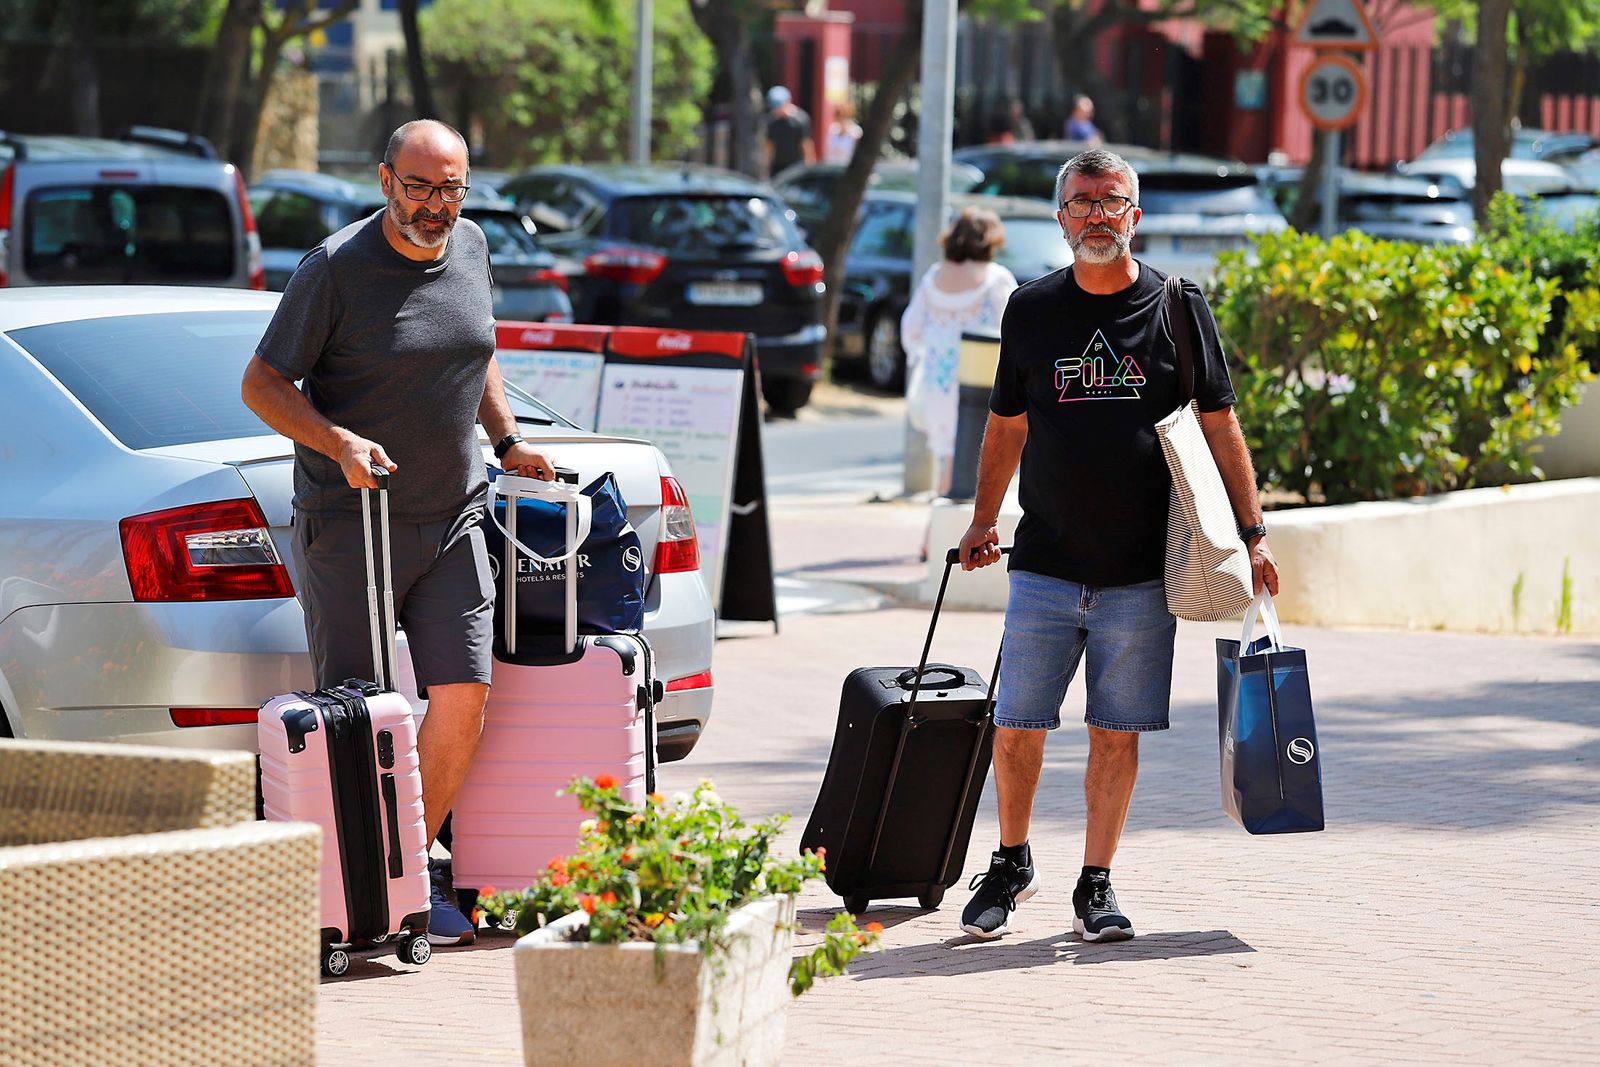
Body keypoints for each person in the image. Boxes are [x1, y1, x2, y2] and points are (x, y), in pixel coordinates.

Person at [241, 119, 557, 948]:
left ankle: (404, 871)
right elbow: (262, 382)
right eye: (418, 187)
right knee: (361, 707)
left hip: (453, 514)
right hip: (352, 521)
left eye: (450, 188)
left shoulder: (474, 246)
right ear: (384, 180)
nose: (435, 205)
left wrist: (508, 439)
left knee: (464, 693)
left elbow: (475, 350)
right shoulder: (335, 269)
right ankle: (356, 891)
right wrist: (337, 440)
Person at [955, 148, 1280, 942]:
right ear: (1061, 217)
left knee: (1115, 732)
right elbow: (1007, 422)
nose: (1097, 214)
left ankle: (1096, 882)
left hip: (1141, 572)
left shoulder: (1177, 305)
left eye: (1112, 201)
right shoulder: (1030, 309)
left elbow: (1219, 421)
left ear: (1136, 215)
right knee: (1017, 725)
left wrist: (1254, 531)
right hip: (1045, 562)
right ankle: (1011, 860)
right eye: (1082, 201)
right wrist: (982, 518)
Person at [900, 207, 1018, 496]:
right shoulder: (996, 278)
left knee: (950, 457)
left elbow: (911, 329)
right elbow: (1014, 328)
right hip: (979, 382)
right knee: (972, 461)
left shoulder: (934, 277)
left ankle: (935, 533)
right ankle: (936, 535)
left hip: (936, 381)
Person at [764, 85, 814, 177]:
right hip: (777, 167)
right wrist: (765, 167)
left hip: (796, 166)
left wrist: (810, 168)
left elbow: (806, 145)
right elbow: (769, 145)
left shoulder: (800, 119)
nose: (776, 110)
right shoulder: (772, 121)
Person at [823, 100, 863, 165]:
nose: (839, 117)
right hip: (831, 168)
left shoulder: (856, 132)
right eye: (837, 114)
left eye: (842, 114)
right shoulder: (832, 129)